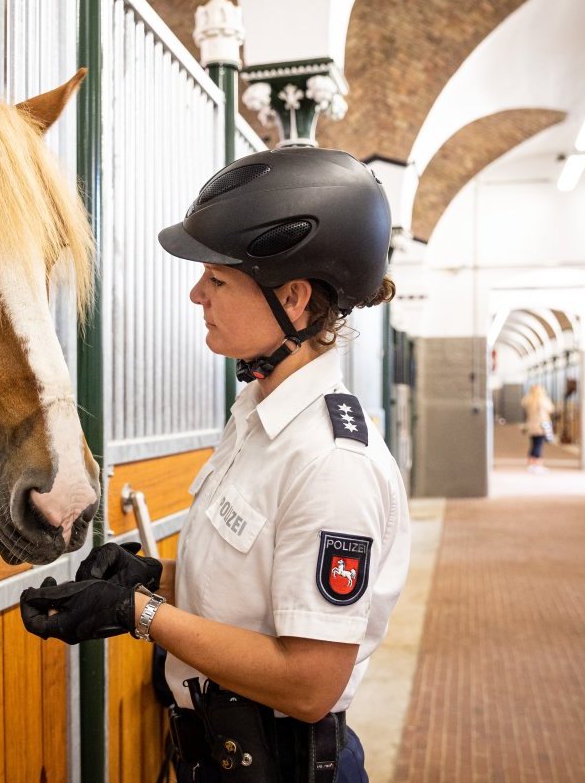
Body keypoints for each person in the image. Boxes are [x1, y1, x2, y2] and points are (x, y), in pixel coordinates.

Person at [20, 147, 411, 783]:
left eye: (219, 281)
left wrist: (137, 615)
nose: (197, 293)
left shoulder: (332, 463)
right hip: (220, 757)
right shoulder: (256, 417)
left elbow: (310, 682)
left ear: (293, 295)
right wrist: (151, 576)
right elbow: (255, 586)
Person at [521, 385, 554, 473]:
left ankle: (531, 464)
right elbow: (551, 409)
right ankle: (537, 465)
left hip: (531, 425)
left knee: (534, 444)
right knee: (539, 445)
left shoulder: (528, 400)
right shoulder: (542, 400)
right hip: (541, 425)